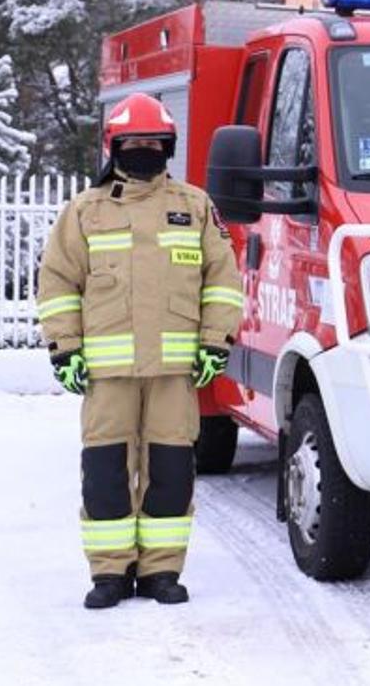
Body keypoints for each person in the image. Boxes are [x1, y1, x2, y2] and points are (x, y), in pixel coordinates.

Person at [36, 93, 245, 609]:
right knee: (106, 470)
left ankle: (161, 571)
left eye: (154, 143)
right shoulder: (85, 212)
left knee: (171, 471)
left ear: (168, 147)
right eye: (134, 143)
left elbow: (223, 281)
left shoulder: (194, 207)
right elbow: (57, 282)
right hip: (106, 374)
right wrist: (65, 349)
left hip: (175, 373)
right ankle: (108, 573)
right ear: (115, 147)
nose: (144, 151)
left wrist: (215, 343)